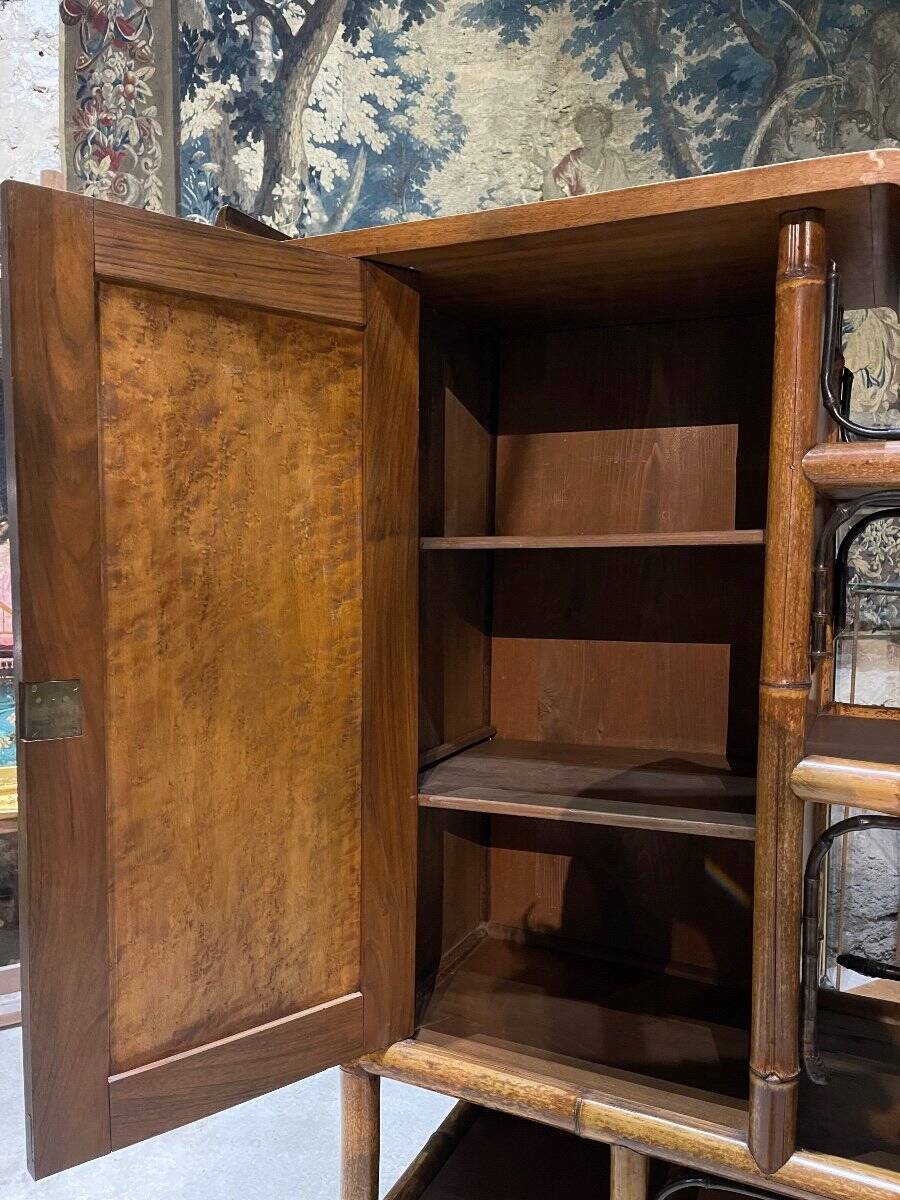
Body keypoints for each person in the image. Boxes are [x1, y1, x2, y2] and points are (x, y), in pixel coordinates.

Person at [535, 105, 629, 199]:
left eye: (592, 127)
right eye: (583, 128)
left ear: (603, 128)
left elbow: (625, 196)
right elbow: (553, 199)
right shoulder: (571, 162)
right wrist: (547, 172)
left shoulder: (614, 160)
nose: (586, 133)